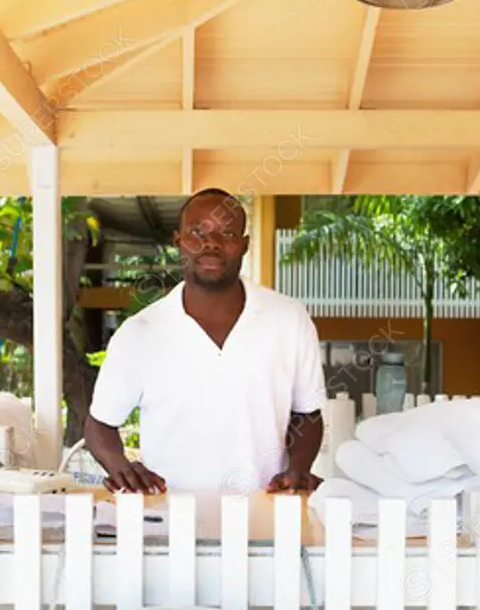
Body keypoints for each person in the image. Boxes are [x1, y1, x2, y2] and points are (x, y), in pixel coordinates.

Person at [84, 188, 326, 495]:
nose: (212, 243)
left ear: (244, 245)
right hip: (168, 520)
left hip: (264, 517)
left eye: (227, 232)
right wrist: (121, 467)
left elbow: (308, 414)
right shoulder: (140, 332)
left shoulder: (290, 319)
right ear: (179, 241)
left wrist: (298, 468)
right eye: (198, 232)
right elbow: (99, 424)